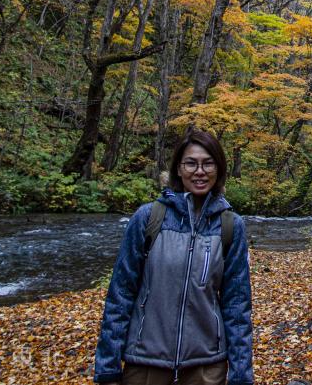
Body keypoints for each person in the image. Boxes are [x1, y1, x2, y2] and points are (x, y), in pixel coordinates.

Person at [94, 130, 253, 385]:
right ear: (178, 169)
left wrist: (241, 375)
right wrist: (107, 368)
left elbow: (237, 305)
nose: (199, 171)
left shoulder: (230, 226)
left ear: (219, 169)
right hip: (145, 364)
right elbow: (120, 295)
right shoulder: (148, 218)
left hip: (206, 368)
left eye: (208, 163)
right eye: (191, 163)